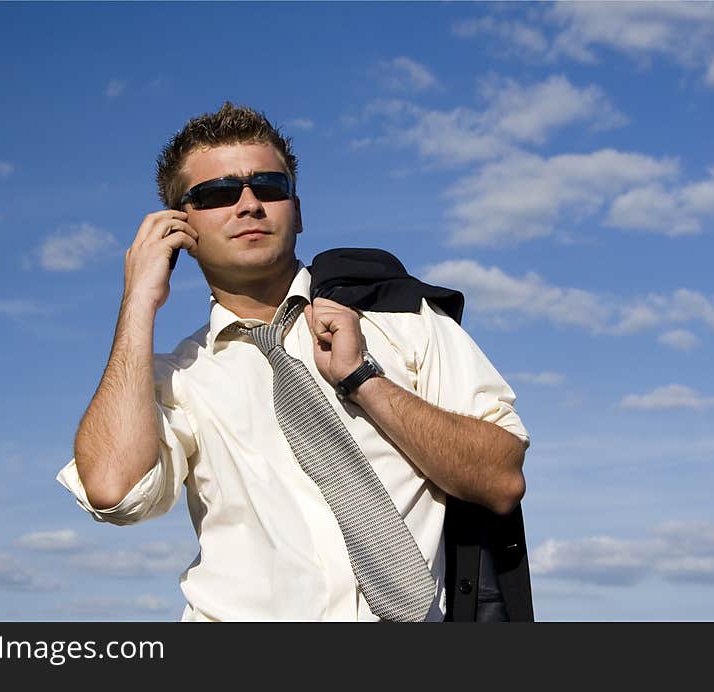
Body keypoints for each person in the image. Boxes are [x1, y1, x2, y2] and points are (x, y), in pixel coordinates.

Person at [57, 102, 529, 622]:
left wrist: (363, 379)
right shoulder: (176, 377)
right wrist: (137, 301)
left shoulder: (401, 317)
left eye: (268, 187)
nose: (248, 205)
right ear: (179, 228)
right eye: (217, 194)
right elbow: (112, 491)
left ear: (297, 212)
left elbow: (500, 480)